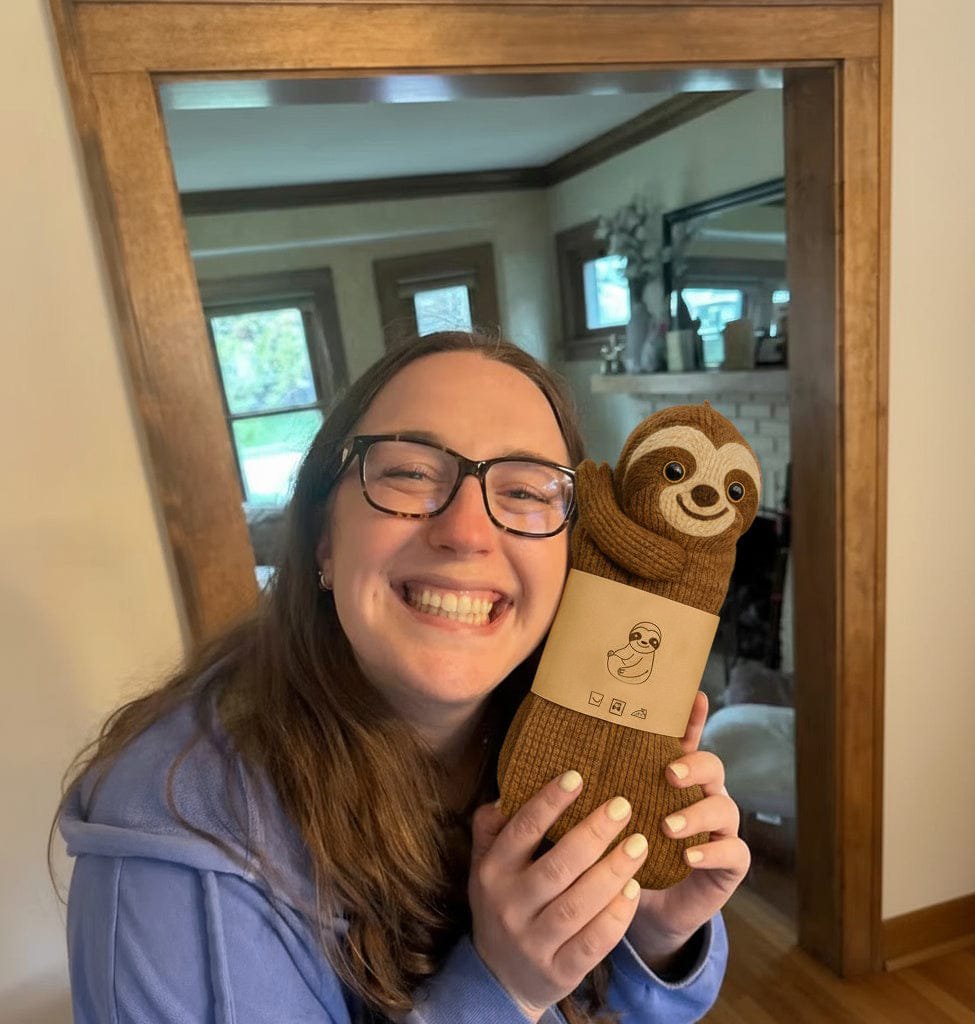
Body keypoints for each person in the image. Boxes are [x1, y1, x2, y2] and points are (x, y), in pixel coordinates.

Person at [55, 330, 749, 1024]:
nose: (466, 533)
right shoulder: (180, 843)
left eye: (524, 489)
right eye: (410, 474)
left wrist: (648, 936)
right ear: (324, 537)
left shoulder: (553, 740)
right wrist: (500, 990)